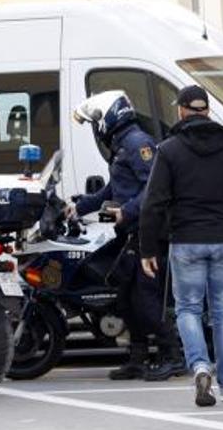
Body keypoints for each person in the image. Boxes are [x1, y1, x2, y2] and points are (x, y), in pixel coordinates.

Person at [139, 85, 223, 407]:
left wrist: (146, 249)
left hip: (186, 240)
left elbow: (152, 203)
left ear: (182, 110)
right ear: (207, 110)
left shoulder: (169, 150)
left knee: (188, 309)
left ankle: (200, 366)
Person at [68, 91, 183, 381]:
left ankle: (173, 355)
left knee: (145, 298)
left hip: (147, 233)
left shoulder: (138, 144)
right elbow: (112, 190)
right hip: (130, 232)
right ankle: (138, 357)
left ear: (109, 115)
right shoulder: (122, 146)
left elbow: (153, 189)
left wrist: (126, 212)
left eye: (96, 119)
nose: (96, 126)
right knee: (126, 299)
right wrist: (78, 208)